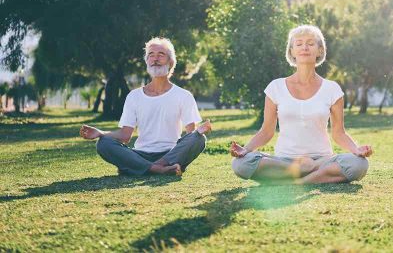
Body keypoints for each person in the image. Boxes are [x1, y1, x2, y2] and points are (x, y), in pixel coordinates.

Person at [231, 25, 372, 184]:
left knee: (359, 164)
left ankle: (297, 181)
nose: (304, 47)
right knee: (240, 164)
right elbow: (266, 131)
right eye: (299, 44)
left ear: (320, 50)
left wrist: (356, 150)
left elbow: (339, 133)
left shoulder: (332, 89)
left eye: (311, 43)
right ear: (291, 51)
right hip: (285, 161)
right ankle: (310, 174)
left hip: (321, 161)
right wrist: (246, 149)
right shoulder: (275, 87)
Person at [79, 37, 212, 176]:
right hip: (140, 154)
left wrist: (198, 132)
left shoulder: (184, 95)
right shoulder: (134, 96)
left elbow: (191, 134)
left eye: (161, 54)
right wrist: (101, 133)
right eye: (151, 55)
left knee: (199, 139)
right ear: (147, 61)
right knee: (103, 143)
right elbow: (125, 136)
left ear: (171, 62)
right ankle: (158, 169)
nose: (155, 59)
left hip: (171, 154)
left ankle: (146, 167)